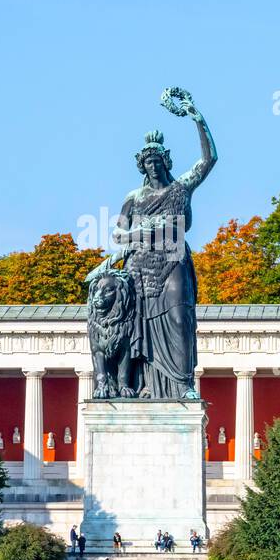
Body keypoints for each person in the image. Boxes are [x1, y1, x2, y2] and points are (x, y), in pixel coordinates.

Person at [85, 94, 218, 399]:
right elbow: (119, 237)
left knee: (179, 318)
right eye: (148, 163)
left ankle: (183, 385)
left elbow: (209, 160)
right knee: (139, 328)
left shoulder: (180, 187)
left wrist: (196, 117)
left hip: (173, 260)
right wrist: (147, 232)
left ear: (165, 162)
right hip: (139, 269)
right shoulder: (134, 197)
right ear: (142, 166)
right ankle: (143, 385)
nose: (153, 167)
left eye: (157, 161)